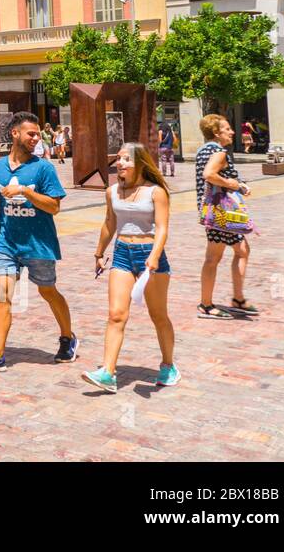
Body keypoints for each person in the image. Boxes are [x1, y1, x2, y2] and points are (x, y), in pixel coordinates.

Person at [0, 111, 77, 372]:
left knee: (47, 292)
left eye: (38, 134)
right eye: (31, 133)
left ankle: (67, 338)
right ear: (15, 133)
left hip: (39, 243)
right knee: (2, 296)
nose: (36, 138)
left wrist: (27, 191)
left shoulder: (43, 168)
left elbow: (54, 207)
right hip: (8, 243)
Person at [82, 142, 179, 393]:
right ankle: (107, 373)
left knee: (158, 316)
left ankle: (168, 365)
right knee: (116, 314)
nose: (120, 163)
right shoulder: (112, 191)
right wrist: (99, 252)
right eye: (118, 158)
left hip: (150, 256)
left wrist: (155, 255)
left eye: (126, 159)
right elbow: (109, 223)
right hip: (122, 253)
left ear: (141, 163)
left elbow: (162, 227)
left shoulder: (156, 192)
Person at [196, 114, 257, 319]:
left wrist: (239, 182)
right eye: (227, 129)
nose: (232, 132)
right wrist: (235, 185)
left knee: (242, 250)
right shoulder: (219, 152)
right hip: (221, 213)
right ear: (216, 133)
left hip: (216, 212)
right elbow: (209, 175)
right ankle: (206, 305)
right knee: (213, 257)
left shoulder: (204, 150)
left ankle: (238, 299)